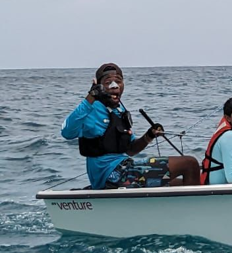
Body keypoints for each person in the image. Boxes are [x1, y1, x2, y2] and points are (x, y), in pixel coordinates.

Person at [61, 63, 200, 189]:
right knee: (189, 164)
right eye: (108, 82)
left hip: (125, 168)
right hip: (111, 175)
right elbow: (67, 132)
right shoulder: (91, 109)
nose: (114, 86)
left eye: (118, 81)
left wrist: (149, 135)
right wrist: (91, 96)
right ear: (98, 85)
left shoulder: (118, 110)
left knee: (180, 184)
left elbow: (131, 150)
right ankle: (195, 214)